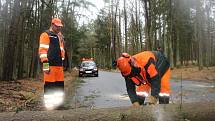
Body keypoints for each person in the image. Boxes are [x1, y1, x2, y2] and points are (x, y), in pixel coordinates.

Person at [38, 18, 65, 109]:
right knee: (49, 86)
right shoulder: (45, 35)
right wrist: (45, 65)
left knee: (59, 86)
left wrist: (64, 62)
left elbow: (62, 51)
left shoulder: (59, 36)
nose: (59, 28)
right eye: (57, 26)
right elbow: (42, 51)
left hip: (59, 66)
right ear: (52, 25)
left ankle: (59, 105)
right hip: (50, 66)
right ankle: (49, 106)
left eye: (60, 26)